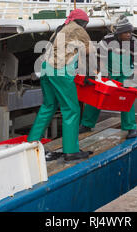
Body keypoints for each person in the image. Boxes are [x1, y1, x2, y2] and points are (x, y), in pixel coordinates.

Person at [27, 9, 96, 162]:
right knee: (71, 109)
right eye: (86, 24)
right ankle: (71, 151)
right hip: (60, 71)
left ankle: (31, 145)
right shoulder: (78, 29)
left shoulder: (60, 29)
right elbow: (90, 51)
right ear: (83, 22)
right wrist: (90, 74)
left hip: (45, 69)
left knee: (48, 106)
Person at [80, 15, 137, 139]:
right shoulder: (107, 40)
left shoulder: (135, 44)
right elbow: (99, 59)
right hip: (108, 73)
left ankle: (131, 127)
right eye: (126, 32)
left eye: (130, 32)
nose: (129, 34)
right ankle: (86, 124)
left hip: (126, 74)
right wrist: (102, 76)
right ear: (119, 33)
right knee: (96, 95)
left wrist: (132, 79)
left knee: (126, 99)